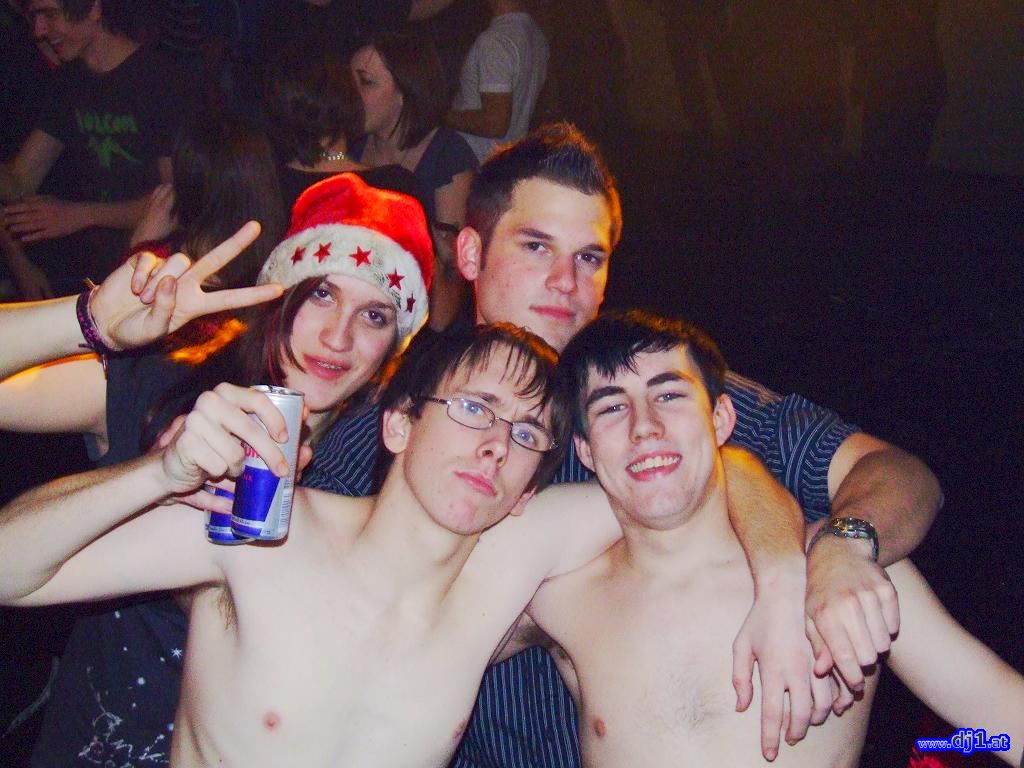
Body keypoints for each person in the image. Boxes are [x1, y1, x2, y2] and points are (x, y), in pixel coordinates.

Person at [303, 121, 945, 766]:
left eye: (589, 257)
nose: (565, 281)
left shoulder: (652, 395)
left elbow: (896, 473)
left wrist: (843, 547)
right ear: (470, 254)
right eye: (536, 246)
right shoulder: (402, 421)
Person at [0, 322, 581, 767]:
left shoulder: (494, 596)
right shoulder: (266, 533)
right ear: (399, 424)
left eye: (527, 433)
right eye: (475, 408)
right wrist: (157, 474)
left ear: (528, 490)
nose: (498, 445)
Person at [0, 172, 434, 766]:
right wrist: (86, 321)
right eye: (322, 295)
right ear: (281, 294)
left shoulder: (386, 472)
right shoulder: (170, 384)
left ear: (396, 343)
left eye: (375, 316)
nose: (338, 337)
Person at [521, 309, 1024, 767]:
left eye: (669, 395)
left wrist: (934, 751)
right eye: (611, 407)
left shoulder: (843, 578)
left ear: (721, 419)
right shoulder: (560, 597)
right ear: (585, 451)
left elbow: (1005, 724)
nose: (645, 427)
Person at [0, 0, 197, 281]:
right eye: (35, 17)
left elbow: (175, 201)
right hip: (92, 268)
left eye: (50, 15)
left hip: (153, 267)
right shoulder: (69, 82)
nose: (39, 30)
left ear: (93, 8)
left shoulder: (161, 80)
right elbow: (20, 180)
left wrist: (80, 215)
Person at [351, 31, 478, 330]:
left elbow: (453, 270)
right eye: (349, 83)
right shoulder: (351, 149)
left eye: (365, 82)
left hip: (427, 323)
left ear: (405, 93)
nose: (350, 96)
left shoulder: (448, 154)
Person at [260, 39, 424, 217]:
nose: (357, 93)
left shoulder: (264, 187)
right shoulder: (393, 190)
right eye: (351, 82)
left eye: (365, 81)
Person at [447, 0, 549, 164]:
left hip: (472, 161)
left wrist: (441, 116)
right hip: (502, 162)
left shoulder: (496, 40)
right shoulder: (536, 36)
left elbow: (495, 123)